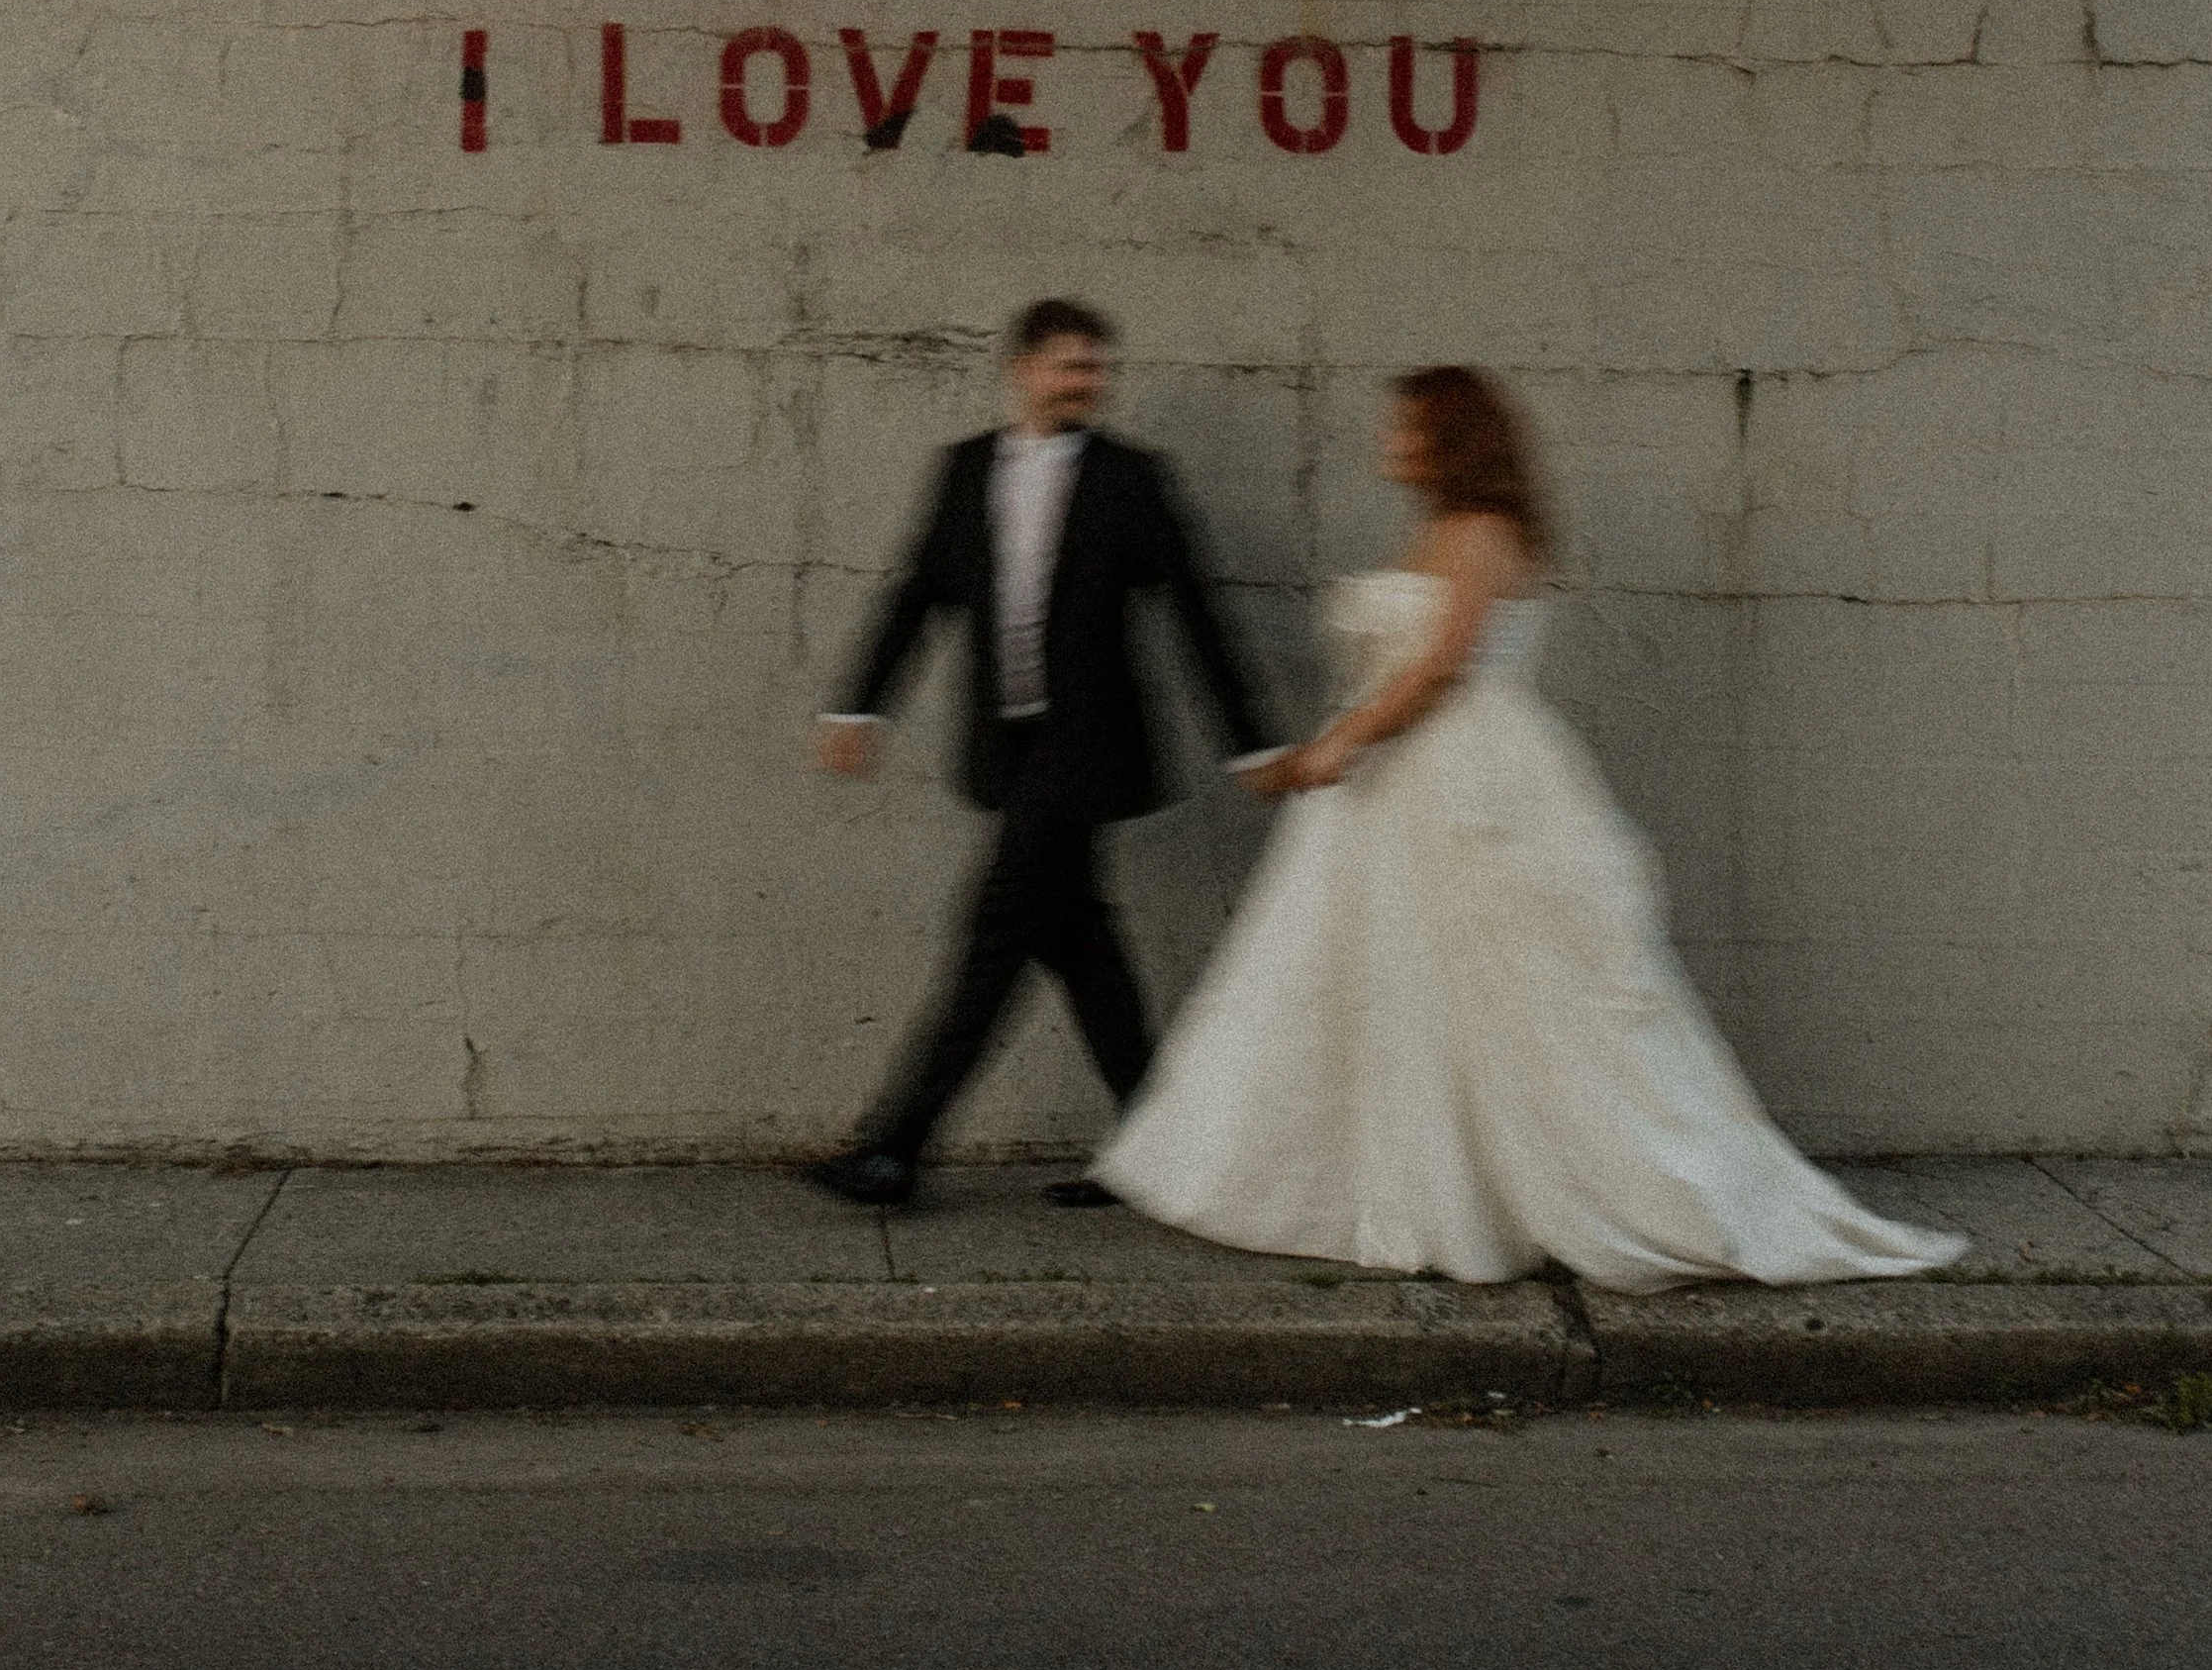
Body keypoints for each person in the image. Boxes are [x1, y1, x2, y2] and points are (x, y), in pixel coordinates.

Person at [1097, 365, 1969, 1292]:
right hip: (1406, 784)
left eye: (1407, 429)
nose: (1390, 444)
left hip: (1468, 779)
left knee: (1500, 985)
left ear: (1450, 438)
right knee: (1403, 983)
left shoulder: (1481, 533)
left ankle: (1567, 1191)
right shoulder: (1443, 530)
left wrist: (1335, 748)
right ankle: (1426, 1183)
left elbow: (1440, 670)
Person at [810, 296, 1283, 1210]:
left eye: (1097, 369)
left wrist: (1253, 740)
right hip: (1009, 750)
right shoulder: (964, 472)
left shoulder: (1133, 479)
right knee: (1080, 947)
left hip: (1089, 752)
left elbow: (1196, 611)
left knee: (993, 938)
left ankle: (895, 1148)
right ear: (1022, 368)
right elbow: (920, 596)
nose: (1087, 384)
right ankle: (1167, 1150)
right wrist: (861, 710)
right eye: (1070, 366)